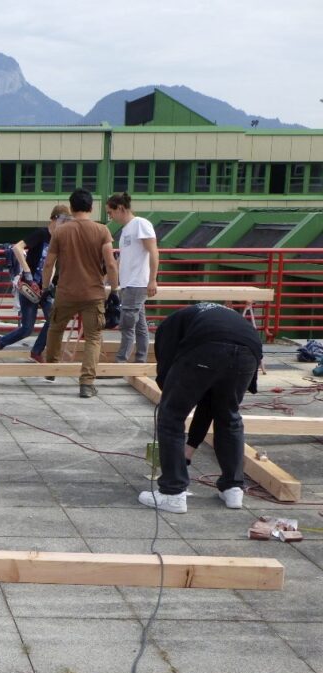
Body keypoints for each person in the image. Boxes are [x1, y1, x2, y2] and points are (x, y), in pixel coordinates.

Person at [139, 303, 262, 514]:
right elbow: (209, 405)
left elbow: (165, 371)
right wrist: (190, 447)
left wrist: (170, 393)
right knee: (228, 415)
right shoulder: (206, 317)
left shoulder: (168, 327)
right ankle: (233, 488)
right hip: (250, 350)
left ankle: (172, 492)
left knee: (171, 416)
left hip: (209, 347)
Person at [41, 188, 119, 398]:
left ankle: (51, 371)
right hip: (93, 293)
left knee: (56, 329)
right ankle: (86, 383)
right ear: (91, 207)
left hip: (66, 292)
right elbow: (111, 264)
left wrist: (45, 287)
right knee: (93, 337)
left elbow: (49, 263)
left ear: (72, 207)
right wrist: (114, 289)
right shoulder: (102, 230)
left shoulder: (60, 231)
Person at [0, 204, 70, 361]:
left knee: (54, 320)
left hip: (45, 287)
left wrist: (49, 284)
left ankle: (37, 351)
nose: (65, 225)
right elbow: (17, 248)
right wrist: (27, 273)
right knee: (27, 328)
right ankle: (1, 342)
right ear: (54, 219)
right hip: (28, 286)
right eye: (63, 221)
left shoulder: (60, 239)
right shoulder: (41, 234)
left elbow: (52, 264)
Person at [106, 192, 159, 363]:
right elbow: (123, 257)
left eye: (111, 212)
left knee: (127, 323)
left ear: (120, 208)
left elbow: (153, 251)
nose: (110, 216)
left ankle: (121, 361)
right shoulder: (127, 230)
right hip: (130, 283)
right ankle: (140, 361)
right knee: (140, 325)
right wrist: (108, 276)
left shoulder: (141, 224)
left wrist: (152, 279)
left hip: (137, 282)